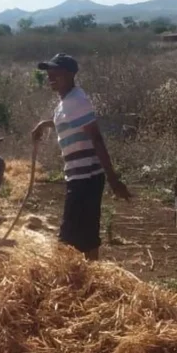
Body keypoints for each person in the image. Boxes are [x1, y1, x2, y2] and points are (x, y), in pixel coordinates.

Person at [32, 53, 131, 260]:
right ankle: (90, 274)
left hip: (87, 176)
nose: (50, 76)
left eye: (55, 72)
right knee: (85, 232)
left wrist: (113, 179)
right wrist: (44, 124)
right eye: (48, 72)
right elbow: (69, 122)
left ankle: (85, 276)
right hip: (78, 175)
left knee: (70, 235)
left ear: (69, 74)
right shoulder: (66, 101)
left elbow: (96, 138)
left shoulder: (77, 100)